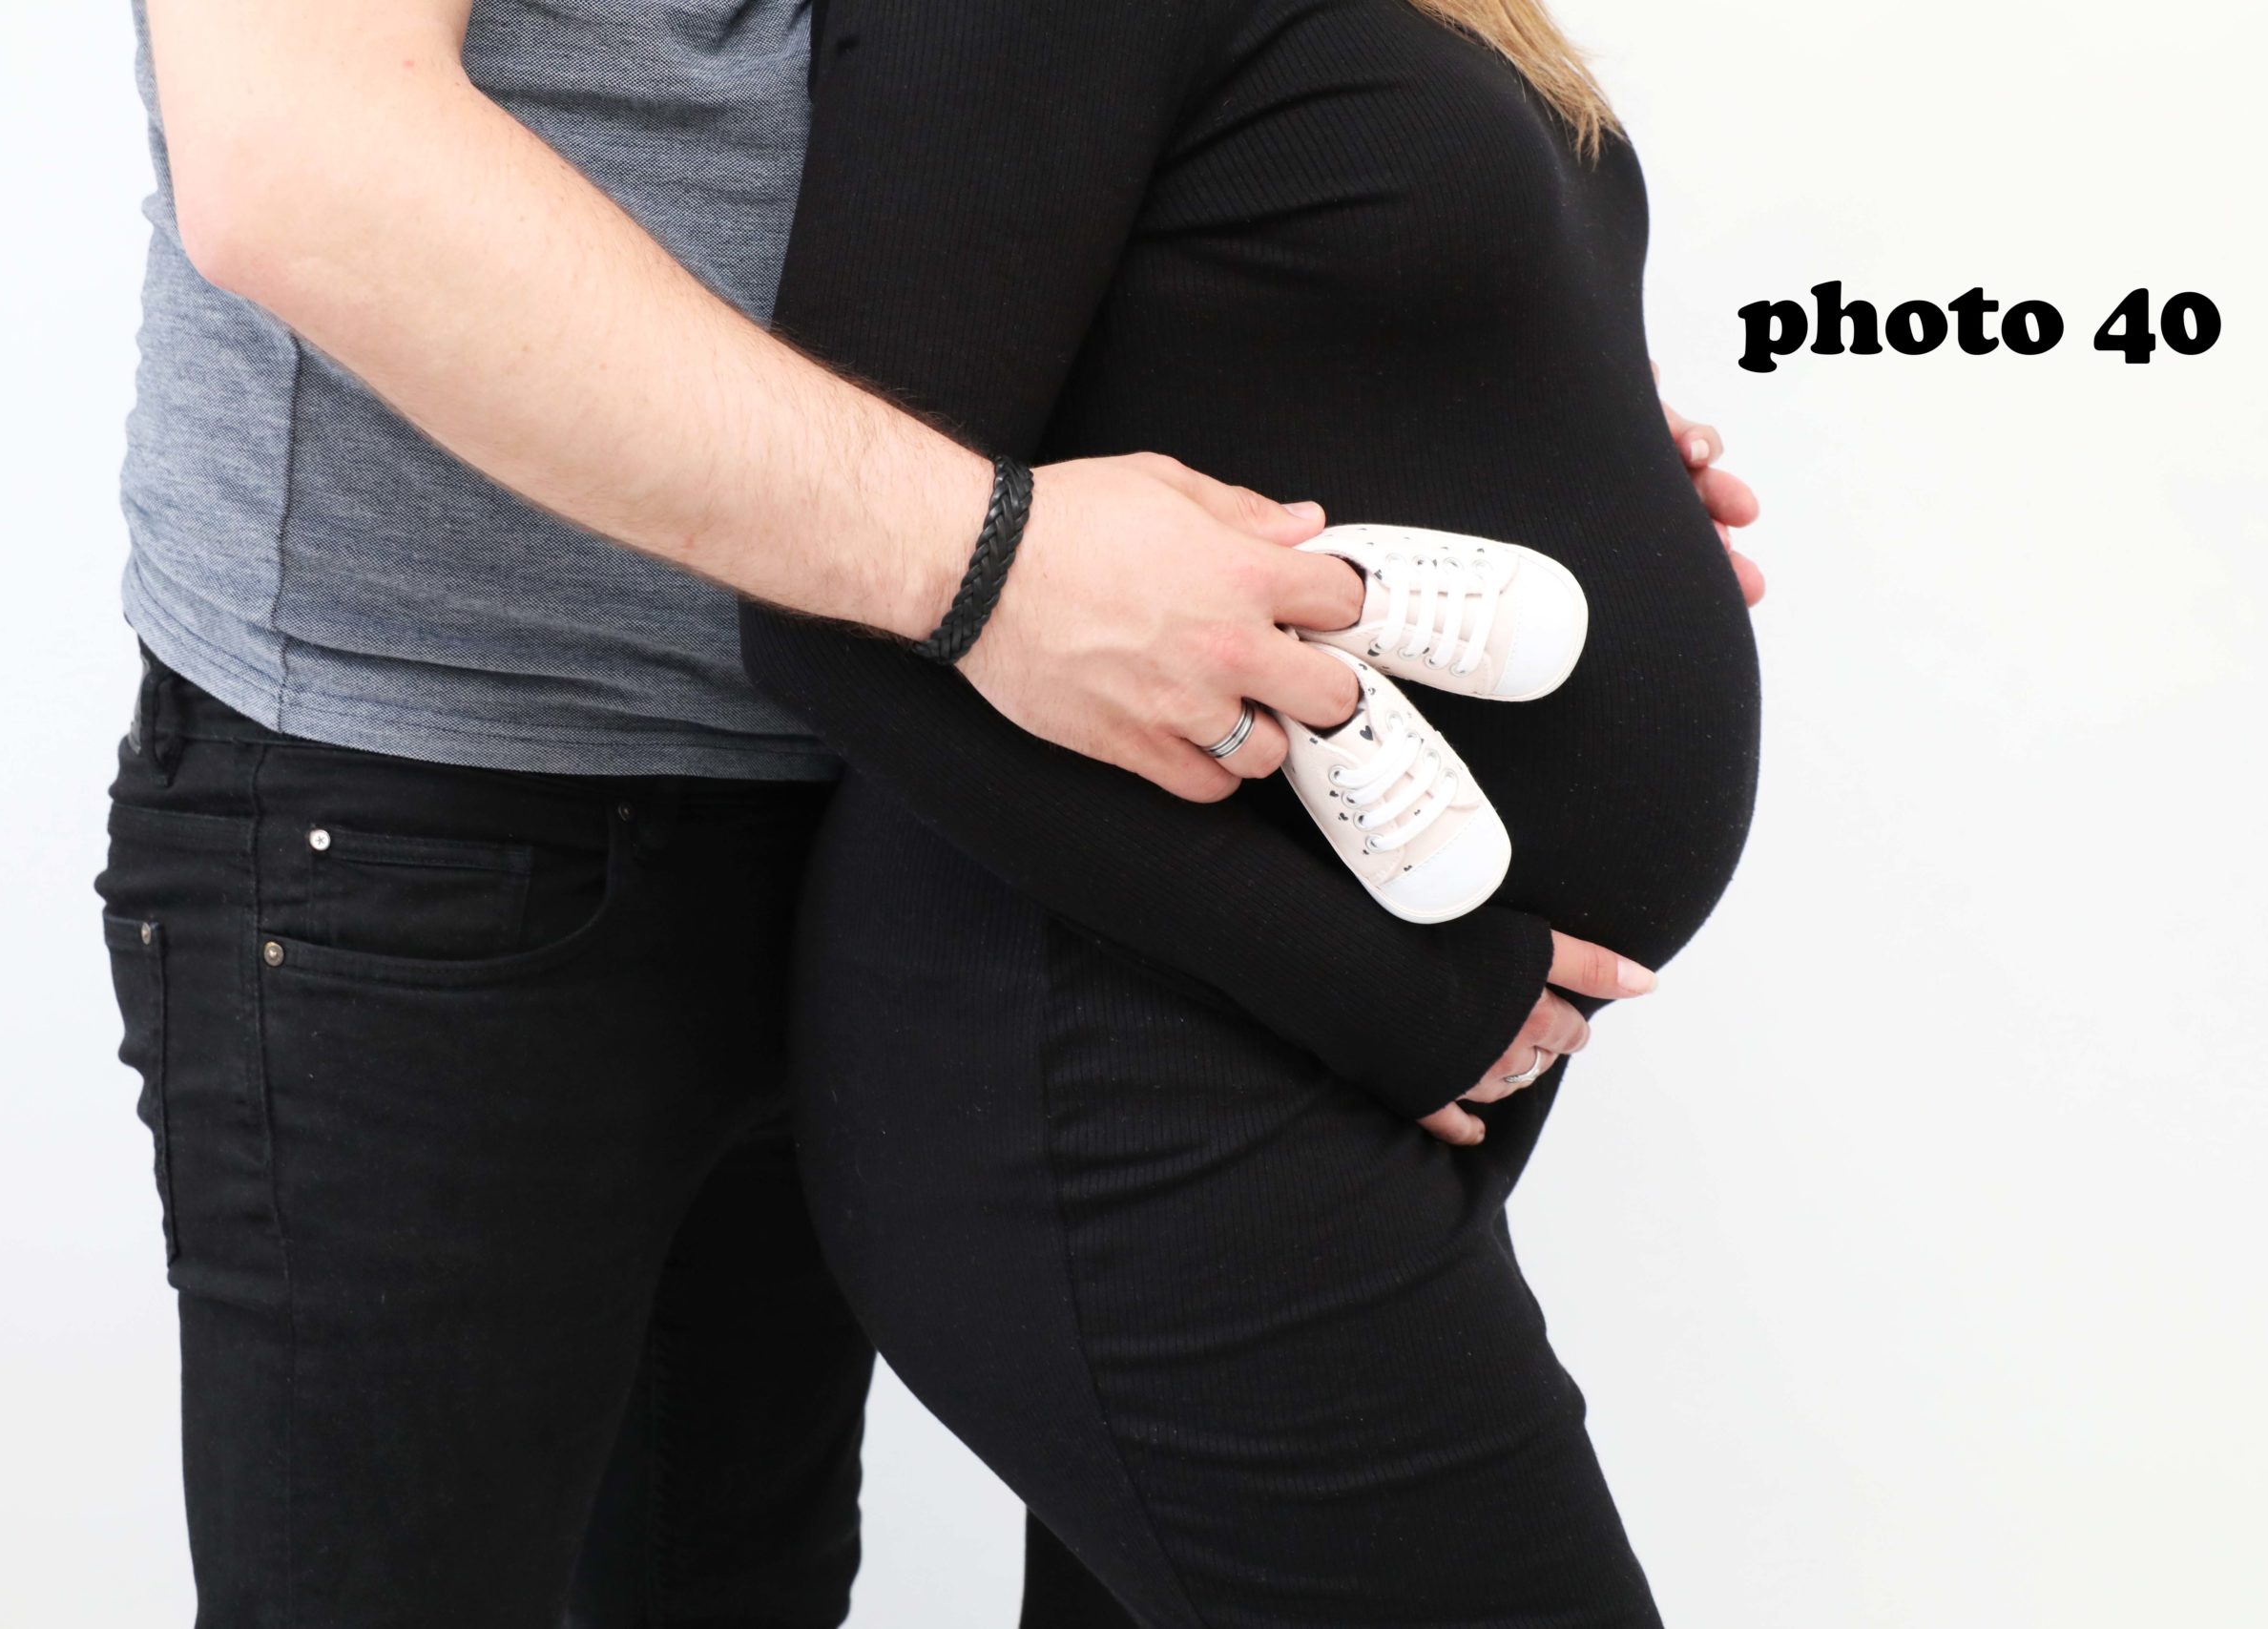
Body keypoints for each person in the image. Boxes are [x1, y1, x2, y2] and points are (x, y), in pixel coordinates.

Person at [97, 1, 1391, 1624]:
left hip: (887, 798)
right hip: (428, 809)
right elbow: (303, 155)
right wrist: (998, 568)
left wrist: (1523, 432)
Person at [739, 0, 1766, 1620]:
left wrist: (1575, 434)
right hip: (1124, 1048)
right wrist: (1408, 996)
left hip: (1279, 1042)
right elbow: (830, 597)